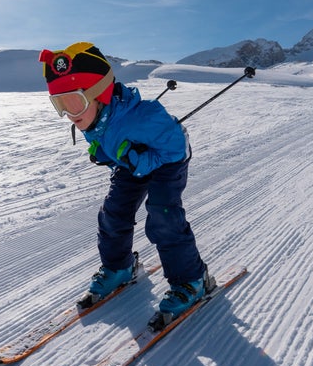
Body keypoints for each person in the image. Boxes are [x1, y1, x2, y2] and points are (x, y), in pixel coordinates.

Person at [39, 41, 211, 323]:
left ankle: (192, 280)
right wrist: (106, 152)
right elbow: (109, 138)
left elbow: (177, 146)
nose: (70, 113)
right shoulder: (91, 116)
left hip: (167, 161)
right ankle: (119, 267)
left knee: (163, 216)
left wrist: (142, 161)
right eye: (60, 104)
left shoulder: (145, 117)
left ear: (99, 94)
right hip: (131, 162)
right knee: (113, 212)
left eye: (74, 102)